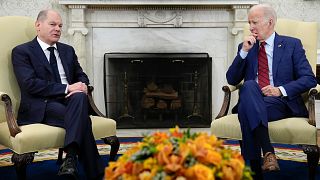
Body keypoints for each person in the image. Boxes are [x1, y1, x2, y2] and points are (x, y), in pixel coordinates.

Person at [226, 4, 317, 180]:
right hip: (254, 99)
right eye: (249, 22)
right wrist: (244, 52)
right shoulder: (246, 47)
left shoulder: (292, 45)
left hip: (281, 103)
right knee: (250, 86)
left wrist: (280, 90)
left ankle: (255, 172)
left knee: (246, 110)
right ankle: (268, 153)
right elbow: (231, 79)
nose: (251, 27)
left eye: (255, 22)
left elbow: (309, 79)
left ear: (270, 22)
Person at [11, 9, 104, 179]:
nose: (58, 29)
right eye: (53, 24)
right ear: (38, 26)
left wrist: (82, 85)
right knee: (83, 120)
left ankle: (70, 160)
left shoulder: (67, 50)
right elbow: (30, 84)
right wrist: (67, 88)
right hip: (42, 104)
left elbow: (80, 75)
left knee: (80, 96)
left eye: (60, 25)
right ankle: (94, 172)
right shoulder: (22, 51)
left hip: (71, 101)